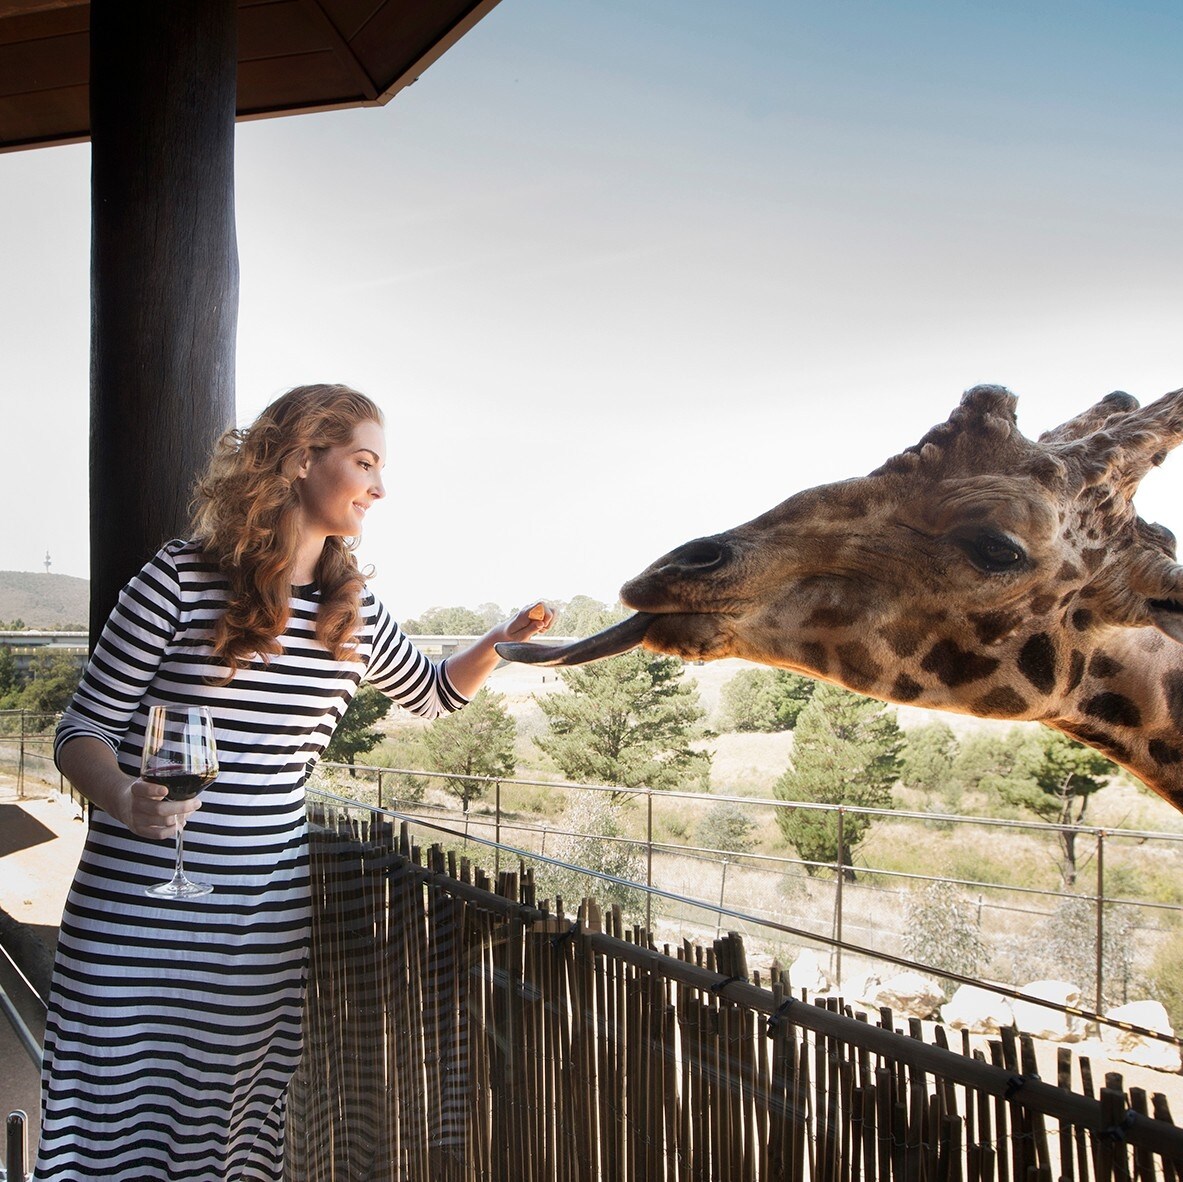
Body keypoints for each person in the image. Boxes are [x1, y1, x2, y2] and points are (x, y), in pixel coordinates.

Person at [33, 384, 553, 1181]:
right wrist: (123, 798)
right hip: (134, 910)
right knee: (108, 1123)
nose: (380, 488)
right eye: (365, 463)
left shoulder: (356, 610)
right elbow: (80, 730)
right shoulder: (176, 581)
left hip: (257, 918)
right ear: (303, 459)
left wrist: (501, 641)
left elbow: (435, 693)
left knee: (228, 1129)